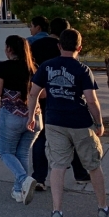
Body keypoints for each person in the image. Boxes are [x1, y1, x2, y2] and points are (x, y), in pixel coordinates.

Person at [26, 28, 109, 217]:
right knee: (93, 165)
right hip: (80, 122)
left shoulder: (47, 67)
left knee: (58, 166)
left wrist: (31, 116)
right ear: (79, 48)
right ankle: (103, 208)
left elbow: (33, 93)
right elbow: (91, 100)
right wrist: (99, 123)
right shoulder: (82, 69)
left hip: (54, 121)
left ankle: (56, 211)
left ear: (59, 46)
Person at [29, 17, 90, 189]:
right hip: (65, 96)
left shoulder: (36, 46)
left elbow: (31, 69)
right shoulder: (64, 50)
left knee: (42, 136)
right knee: (74, 134)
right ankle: (80, 173)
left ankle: (39, 177)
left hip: (41, 94)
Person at [0, 35, 40, 204]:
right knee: (22, 153)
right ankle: (19, 191)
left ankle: (23, 179)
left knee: (5, 152)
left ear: (9, 49)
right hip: (34, 117)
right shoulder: (34, 69)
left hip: (11, 115)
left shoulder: (3, 67)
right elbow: (44, 93)